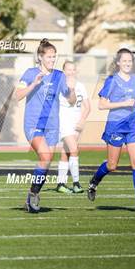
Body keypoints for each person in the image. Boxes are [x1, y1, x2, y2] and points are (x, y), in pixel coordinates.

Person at [88, 48, 135, 212]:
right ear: (118, 62)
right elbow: (102, 104)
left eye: (130, 61)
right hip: (116, 126)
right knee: (112, 165)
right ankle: (94, 182)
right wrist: (123, 104)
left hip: (133, 124)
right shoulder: (112, 80)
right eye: (124, 60)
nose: (127, 63)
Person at [16, 39, 76, 213]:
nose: (52, 59)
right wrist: (34, 83)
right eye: (49, 56)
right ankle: (33, 195)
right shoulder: (30, 73)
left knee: (46, 162)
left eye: (54, 56)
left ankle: (32, 195)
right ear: (40, 57)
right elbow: (16, 96)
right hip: (33, 124)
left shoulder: (59, 76)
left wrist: (71, 90)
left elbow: (71, 101)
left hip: (52, 126)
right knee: (46, 157)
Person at [56, 61, 91, 194]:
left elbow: (88, 107)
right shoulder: (61, 85)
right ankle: (76, 183)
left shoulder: (81, 86)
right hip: (64, 122)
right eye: (68, 70)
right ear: (64, 71)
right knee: (74, 150)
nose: (71, 72)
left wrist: (82, 120)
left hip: (77, 124)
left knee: (66, 153)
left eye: (73, 70)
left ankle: (61, 184)